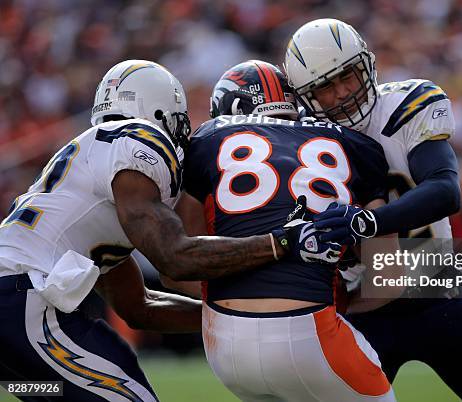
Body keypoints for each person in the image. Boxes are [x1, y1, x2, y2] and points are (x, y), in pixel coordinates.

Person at [0, 59, 339, 401]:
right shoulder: (141, 140)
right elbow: (175, 258)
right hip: (21, 300)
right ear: (162, 113)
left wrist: (238, 315)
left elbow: (139, 307)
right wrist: (280, 242)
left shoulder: (93, 175)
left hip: (12, 312)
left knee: (52, 391)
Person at [285, 19, 462, 402]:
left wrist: (366, 222)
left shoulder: (405, 106)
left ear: (366, 65)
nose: (343, 92)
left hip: (439, 295)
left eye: (347, 75)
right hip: (362, 308)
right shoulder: (303, 141)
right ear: (306, 96)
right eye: (325, 87)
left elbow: (446, 190)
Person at [174, 60, 396, 402]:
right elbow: (388, 277)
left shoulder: (206, 138)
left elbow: (180, 268)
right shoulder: (354, 144)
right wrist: (345, 297)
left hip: (224, 342)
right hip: (312, 333)